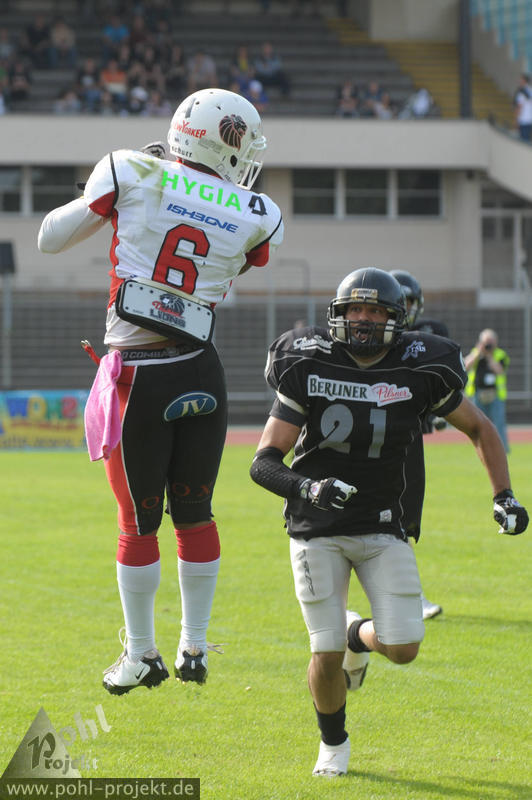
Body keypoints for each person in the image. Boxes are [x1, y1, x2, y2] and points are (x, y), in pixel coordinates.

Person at [38, 88, 284, 695]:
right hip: (202, 370)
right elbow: (243, 256)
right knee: (195, 514)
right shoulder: (260, 211)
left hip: (139, 376)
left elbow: (50, 237)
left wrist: (116, 192)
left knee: (137, 524)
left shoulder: (131, 168)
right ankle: (194, 645)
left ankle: (142, 654)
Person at [249, 268, 528, 777]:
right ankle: (333, 744)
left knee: (403, 647)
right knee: (324, 649)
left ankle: (358, 635)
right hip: (316, 527)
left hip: (382, 526)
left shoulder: (419, 367)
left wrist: (503, 495)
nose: (363, 319)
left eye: (375, 310)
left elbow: (479, 428)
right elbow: (263, 462)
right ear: (339, 315)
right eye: (354, 309)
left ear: (396, 319)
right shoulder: (309, 362)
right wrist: (308, 488)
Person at [390, 269, 449, 620]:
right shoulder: (363, 339)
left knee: (401, 522)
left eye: (409, 301)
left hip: (404, 445)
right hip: (365, 442)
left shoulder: (428, 337)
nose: (405, 308)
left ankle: (407, 598)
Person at [464, 329, 510, 453]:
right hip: (477, 393)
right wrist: (478, 353)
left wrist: (489, 356)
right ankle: (482, 450)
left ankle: (502, 450)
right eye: (486, 342)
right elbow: (465, 366)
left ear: (496, 342)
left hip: (496, 394)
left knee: (498, 423)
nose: (488, 344)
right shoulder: (475, 353)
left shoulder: (500, 354)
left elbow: (499, 370)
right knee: (477, 424)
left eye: (491, 341)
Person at [513, 73, 532, 142]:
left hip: (523, 120)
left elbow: (519, 106)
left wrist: (516, 120)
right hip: (529, 120)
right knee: (527, 140)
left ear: (524, 81)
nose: (519, 81)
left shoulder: (521, 92)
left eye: (520, 80)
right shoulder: (530, 90)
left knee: (523, 141)